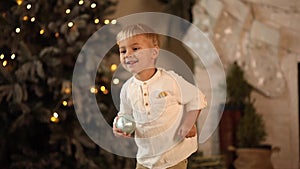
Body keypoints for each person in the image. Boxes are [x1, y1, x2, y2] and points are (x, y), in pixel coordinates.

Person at [112, 23, 207, 169]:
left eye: (135, 48)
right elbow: (125, 115)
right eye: (123, 51)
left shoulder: (170, 81)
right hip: (146, 159)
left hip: (173, 156)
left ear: (154, 52)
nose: (128, 54)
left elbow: (197, 97)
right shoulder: (127, 89)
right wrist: (119, 125)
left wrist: (188, 123)